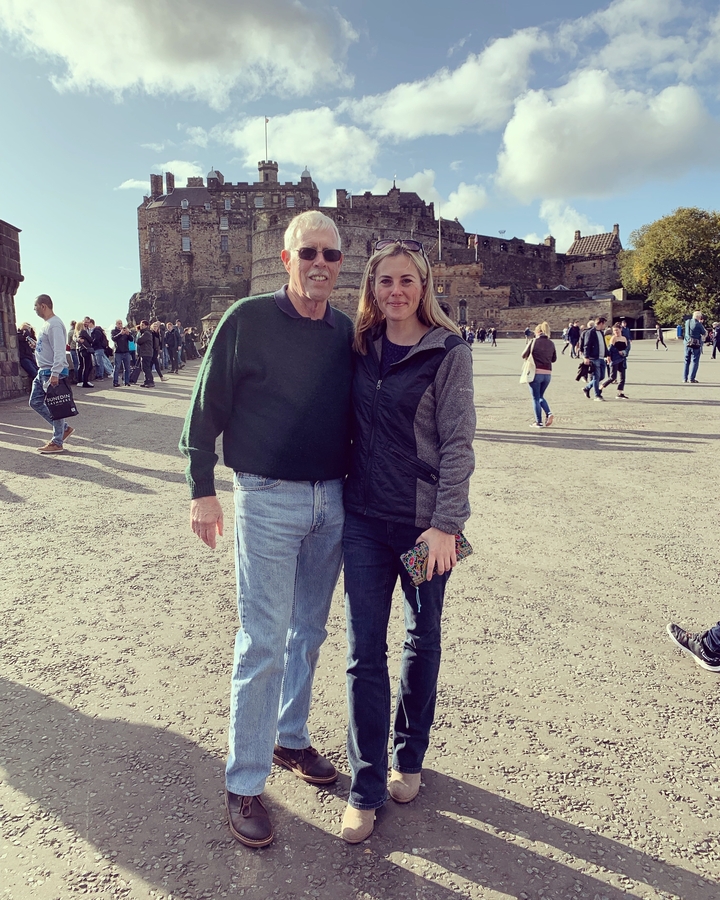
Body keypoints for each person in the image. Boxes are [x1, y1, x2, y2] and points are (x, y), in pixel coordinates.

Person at [179, 210, 353, 849]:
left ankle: (290, 739)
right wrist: (202, 490)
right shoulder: (245, 320)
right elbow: (206, 407)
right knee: (262, 639)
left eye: (330, 255)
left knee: (309, 630)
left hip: (331, 498)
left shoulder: (343, 332)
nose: (319, 265)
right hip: (267, 497)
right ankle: (244, 779)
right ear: (286, 259)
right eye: (308, 253)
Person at [340, 238, 475, 844]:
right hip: (364, 521)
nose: (395, 291)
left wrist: (447, 524)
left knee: (422, 640)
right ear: (372, 289)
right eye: (384, 282)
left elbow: (458, 444)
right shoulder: (360, 347)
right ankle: (365, 786)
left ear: (424, 287)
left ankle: (409, 756)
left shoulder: (448, 352)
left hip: (424, 526)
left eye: (406, 281)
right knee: (362, 652)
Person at [28, 294, 74, 453]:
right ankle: (64, 429)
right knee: (35, 401)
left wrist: (55, 373)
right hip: (43, 371)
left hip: (51, 371)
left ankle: (57, 441)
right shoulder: (47, 324)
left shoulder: (54, 324)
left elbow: (60, 351)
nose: (34, 309)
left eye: (35, 306)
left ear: (43, 306)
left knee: (56, 406)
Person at [521, 322, 556, 427]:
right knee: (540, 396)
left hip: (535, 373)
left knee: (535, 398)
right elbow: (554, 359)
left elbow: (523, 355)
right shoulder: (551, 343)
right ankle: (548, 413)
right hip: (547, 374)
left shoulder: (533, 341)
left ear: (537, 332)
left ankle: (539, 422)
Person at [581, 316, 607, 400]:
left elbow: (604, 345)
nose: (605, 326)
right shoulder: (591, 332)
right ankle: (597, 395)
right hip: (594, 357)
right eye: (604, 324)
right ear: (601, 323)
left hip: (602, 357)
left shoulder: (601, 332)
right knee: (596, 377)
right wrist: (586, 357)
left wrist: (608, 354)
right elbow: (586, 345)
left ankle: (587, 388)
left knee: (601, 376)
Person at [601, 323, 629, 399]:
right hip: (615, 359)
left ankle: (620, 393)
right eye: (614, 330)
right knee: (612, 377)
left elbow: (627, 348)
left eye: (617, 330)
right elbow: (610, 349)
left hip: (622, 359)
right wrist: (609, 356)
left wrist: (624, 352)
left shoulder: (624, 338)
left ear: (621, 329)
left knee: (622, 377)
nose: (616, 332)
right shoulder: (613, 338)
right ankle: (601, 387)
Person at [682, 311, 707, 383]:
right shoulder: (698, 324)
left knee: (686, 361)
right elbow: (704, 333)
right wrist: (701, 323)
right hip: (695, 344)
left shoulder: (687, 322)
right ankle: (691, 378)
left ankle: (684, 378)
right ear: (699, 317)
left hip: (687, 343)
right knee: (695, 361)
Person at [111, 321, 133, 387]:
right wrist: (120, 334)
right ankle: (115, 382)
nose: (120, 325)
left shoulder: (125, 330)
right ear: (116, 324)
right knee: (117, 367)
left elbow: (131, 339)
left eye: (121, 323)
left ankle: (127, 382)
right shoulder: (113, 331)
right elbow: (113, 338)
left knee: (127, 368)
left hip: (126, 352)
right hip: (118, 352)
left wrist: (128, 334)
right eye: (119, 323)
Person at [76, 318, 95, 387]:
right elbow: (90, 340)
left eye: (88, 322)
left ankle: (85, 381)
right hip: (85, 350)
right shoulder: (83, 331)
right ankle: (84, 382)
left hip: (84, 349)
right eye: (85, 322)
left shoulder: (85, 331)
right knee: (86, 366)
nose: (87, 324)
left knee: (88, 366)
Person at [136, 321, 155, 387]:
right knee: (145, 368)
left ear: (146, 326)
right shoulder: (146, 333)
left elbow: (139, 341)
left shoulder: (146, 333)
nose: (141, 326)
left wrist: (139, 334)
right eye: (141, 325)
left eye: (143, 325)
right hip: (146, 352)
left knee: (146, 368)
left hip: (146, 353)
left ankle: (150, 381)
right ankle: (146, 381)